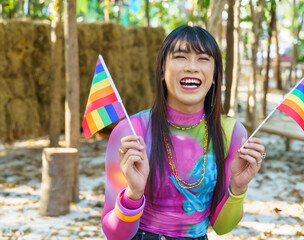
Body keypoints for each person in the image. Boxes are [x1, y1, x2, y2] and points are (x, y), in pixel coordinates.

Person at [101, 25, 265, 240]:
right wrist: (133, 194)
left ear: (214, 75)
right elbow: (115, 235)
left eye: (203, 59)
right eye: (180, 57)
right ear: (162, 70)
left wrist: (238, 187)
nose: (192, 67)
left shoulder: (231, 133)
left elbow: (222, 227)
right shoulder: (131, 132)